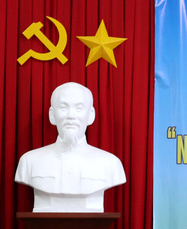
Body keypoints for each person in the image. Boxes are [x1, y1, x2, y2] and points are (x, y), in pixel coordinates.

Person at [15, 82, 126, 212]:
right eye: (63, 108)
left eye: (79, 108)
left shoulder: (110, 163)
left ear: (91, 115)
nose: (71, 116)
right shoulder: (29, 161)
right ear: (52, 115)